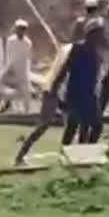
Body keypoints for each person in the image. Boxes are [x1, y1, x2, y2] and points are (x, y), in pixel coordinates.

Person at [13, 23, 85, 166]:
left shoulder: (71, 48)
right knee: (44, 126)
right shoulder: (73, 50)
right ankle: (20, 157)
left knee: (72, 123)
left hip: (59, 90)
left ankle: (70, 156)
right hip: (54, 91)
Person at [56, 20, 106, 145]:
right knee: (73, 126)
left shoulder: (96, 52)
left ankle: (86, 151)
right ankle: (66, 152)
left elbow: (96, 77)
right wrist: (56, 90)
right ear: (91, 34)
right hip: (76, 94)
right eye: (99, 33)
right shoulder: (77, 49)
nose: (101, 36)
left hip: (89, 95)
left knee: (95, 126)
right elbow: (64, 69)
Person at [0, 19, 33, 114]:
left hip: (23, 69)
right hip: (11, 67)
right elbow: (8, 54)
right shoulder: (11, 40)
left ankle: (27, 110)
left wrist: (27, 70)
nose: (21, 31)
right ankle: (4, 106)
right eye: (19, 29)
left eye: (23, 29)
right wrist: (7, 67)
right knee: (6, 88)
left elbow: (28, 57)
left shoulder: (27, 42)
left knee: (26, 90)